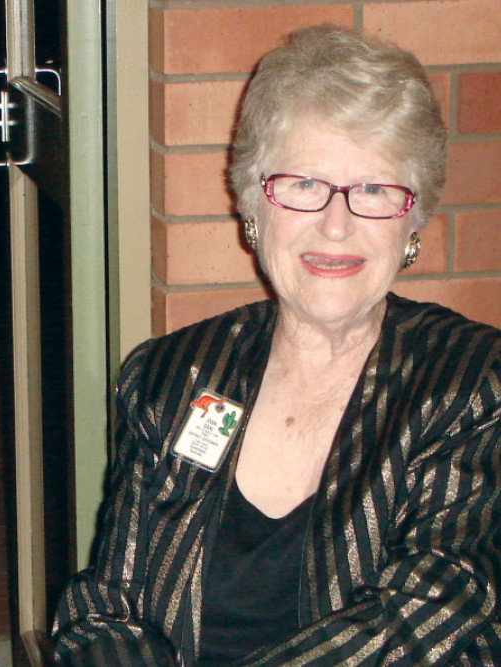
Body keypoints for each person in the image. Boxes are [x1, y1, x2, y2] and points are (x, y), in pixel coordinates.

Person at [52, 24, 501, 665]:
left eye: (373, 189)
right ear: (253, 209)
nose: (336, 223)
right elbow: (107, 605)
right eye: (303, 184)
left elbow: (433, 611)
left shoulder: (473, 383)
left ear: (413, 218)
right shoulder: (173, 375)